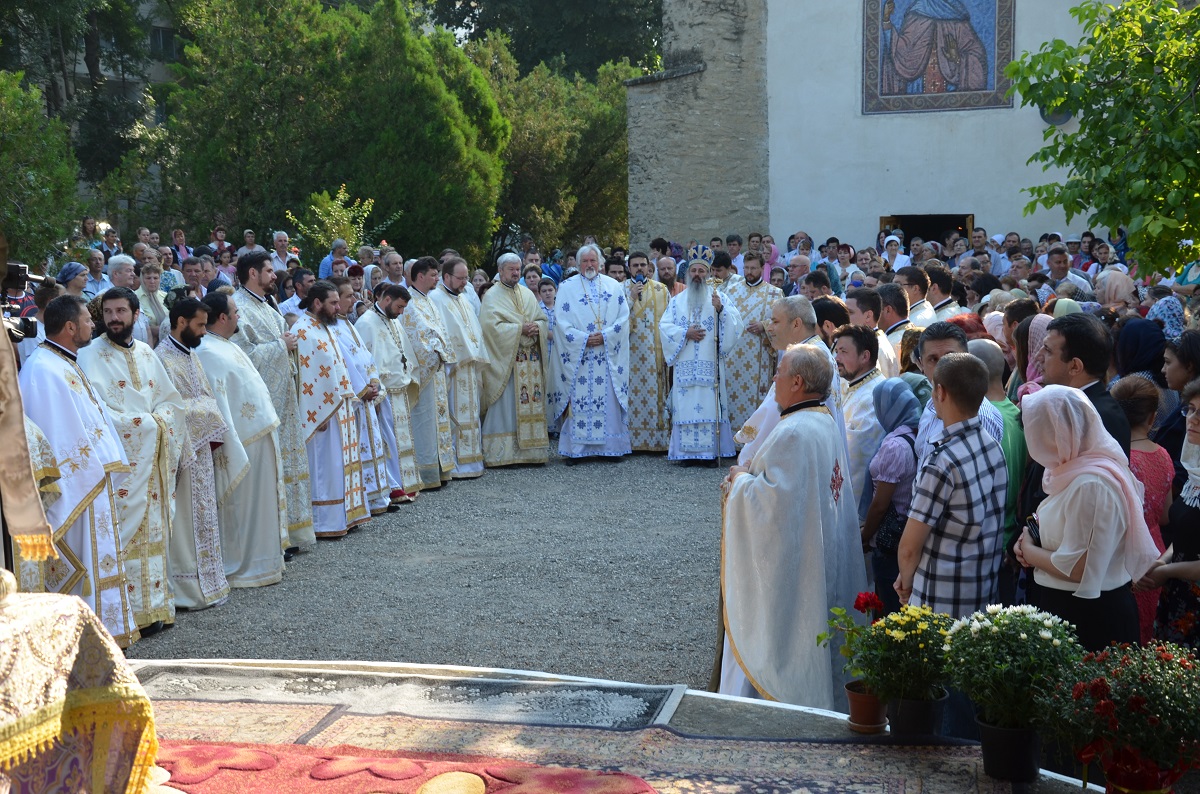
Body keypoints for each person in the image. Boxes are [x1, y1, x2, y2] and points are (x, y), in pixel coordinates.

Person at [719, 343, 866, 710]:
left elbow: (770, 506)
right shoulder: (822, 420)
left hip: (795, 563)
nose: (774, 378)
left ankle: (768, 700)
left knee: (784, 634)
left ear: (797, 382)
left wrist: (738, 480)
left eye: (779, 373)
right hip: (816, 547)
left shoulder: (794, 433)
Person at [17, 295, 140, 646]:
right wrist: (88, 472)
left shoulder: (63, 361)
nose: (94, 324)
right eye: (88, 319)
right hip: (76, 488)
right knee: (83, 561)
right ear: (70, 327)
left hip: (91, 483)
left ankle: (103, 632)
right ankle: (84, 639)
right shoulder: (43, 369)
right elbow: (52, 436)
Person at [1015, 386, 1160, 651]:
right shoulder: (1075, 470)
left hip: (1086, 617)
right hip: (1072, 608)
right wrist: (1031, 535)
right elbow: (1061, 522)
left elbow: (1079, 568)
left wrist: (1028, 550)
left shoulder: (1091, 483)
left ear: (1054, 432)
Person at [78, 287, 187, 635]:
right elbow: (95, 414)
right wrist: (147, 425)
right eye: (108, 312)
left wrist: (160, 422)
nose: (113, 318)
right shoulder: (89, 355)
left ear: (135, 315)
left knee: (153, 534)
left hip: (151, 465)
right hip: (123, 468)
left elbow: (171, 403)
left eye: (120, 311)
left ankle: (154, 609)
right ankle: (123, 616)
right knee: (123, 536)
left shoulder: (146, 353)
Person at [896, 352, 1008, 620]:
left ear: (940, 392)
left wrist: (906, 584)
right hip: (981, 596)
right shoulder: (992, 443)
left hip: (938, 606)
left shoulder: (941, 460)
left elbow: (909, 547)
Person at [196, 292, 289, 587]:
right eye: (235, 311)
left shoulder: (225, 345)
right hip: (241, 443)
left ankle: (265, 562)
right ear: (222, 317)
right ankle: (247, 568)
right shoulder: (208, 352)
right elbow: (218, 404)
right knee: (243, 510)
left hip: (257, 436)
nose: (239, 316)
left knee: (260, 506)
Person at [232, 252, 315, 551]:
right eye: (269, 270)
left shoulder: (267, 304)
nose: (274, 276)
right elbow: (243, 357)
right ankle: (273, 538)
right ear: (253, 273)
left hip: (284, 397)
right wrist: (282, 345)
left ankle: (289, 532)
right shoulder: (239, 308)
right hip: (263, 403)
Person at [154, 298, 232, 611]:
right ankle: (188, 588)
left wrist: (209, 415)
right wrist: (208, 416)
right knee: (185, 520)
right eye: (199, 325)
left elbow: (205, 397)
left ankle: (210, 582)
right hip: (182, 456)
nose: (203, 331)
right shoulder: (161, 359)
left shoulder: (190, 353)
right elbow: (169, 410)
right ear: (182, 322)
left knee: (205, 516)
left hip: (201, 451)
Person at [294, 280, 369, 537]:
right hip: (323, 413)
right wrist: (315, 412)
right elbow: (305, 376)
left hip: (340, 406)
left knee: (341, 464)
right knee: (326, 467)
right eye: (333, 303)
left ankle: (346, 515)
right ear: (317, 303)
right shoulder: (303, 330)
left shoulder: (324, 326)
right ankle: (325, 521)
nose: (338, 308)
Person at [736, 296, 847, 464]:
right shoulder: (819, 351)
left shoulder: (802, 359)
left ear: (796, 324)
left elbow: (774, 413)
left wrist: (747, 458)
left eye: (775, 321)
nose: (770, 328)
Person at [548, 244, 633, 460]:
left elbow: (623, 319)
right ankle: (576, 451)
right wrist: (583, 339)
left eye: (593, 261)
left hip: (606, 354)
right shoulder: (566, 287)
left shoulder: (614, 287)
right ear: (577, 264)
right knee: (578, 400)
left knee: (608, 400)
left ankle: (611, 449)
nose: (589, 265)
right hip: (579, 356)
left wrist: (605, 336)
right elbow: (561, 322)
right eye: (584, 261)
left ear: (600, 263)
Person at [660, 257, 744, 462]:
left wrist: (721, 310)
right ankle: (686, 454)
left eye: (701, 271)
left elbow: (736, 326)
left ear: (709, 274)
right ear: (688, 274)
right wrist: (684, 333)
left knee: (710, 406)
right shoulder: (677, 301)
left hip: (710, 368)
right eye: (693, 270)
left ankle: (710, 454)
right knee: (686, 407)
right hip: (685, 368)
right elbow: (664, 327)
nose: (697, 274)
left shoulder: (719, 297)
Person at [1136, 379, 1200, 649]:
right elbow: (1188, 534)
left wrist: (1167, 571)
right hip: (1178, 594)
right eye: (1192, 409)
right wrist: (1162, 561)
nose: (1193, 420)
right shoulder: (1195, 473)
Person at [1112, 376, 1173, 642]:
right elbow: (1165, 515)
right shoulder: (1163, 454)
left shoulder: (1118, 460)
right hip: (1156, 555)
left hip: (1123, 555)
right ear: (1151, 417)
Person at [478, 253, 551, 467]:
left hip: (530, 362)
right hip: (509, 362)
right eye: (512, 269)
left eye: (518, 269)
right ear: (500, 271)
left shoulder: (528, 294)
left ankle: (533, 454)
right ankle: (502, 454)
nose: (516, 273)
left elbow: (542, 319)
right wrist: (520, 329)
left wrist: (536, 327)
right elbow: (490, 328)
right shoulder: (492, 295)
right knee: (506, 405)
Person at [329, 277, 392, 514]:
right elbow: (344, 363)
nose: (353, 300)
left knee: (371, 445)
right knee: (360, 448)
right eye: (348, 296)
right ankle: (365, 498)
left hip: (367, 395)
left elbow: (365, 357)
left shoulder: (348, 323)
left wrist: (374, 382)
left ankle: (377, 497)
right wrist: (363, 389)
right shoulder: (332, 327)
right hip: (355, 399)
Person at [356, 284, 423, 499]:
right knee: (387, 440)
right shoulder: (366, 323)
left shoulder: (391, 319)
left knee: (399, 439)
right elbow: (365, 362)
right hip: (383, 393)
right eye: (400, 307)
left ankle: (406, 480)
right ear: (387, 300)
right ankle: (393, 485)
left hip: (399, 390)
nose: (402, 312)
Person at [861, 378, 921, 615]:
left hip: (889, 542)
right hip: (904, 535)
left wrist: (865, 536)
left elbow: (880, 504)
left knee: (888, 610)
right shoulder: (915, 431)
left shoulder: (894, 446)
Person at [912, 322, 1005, 463]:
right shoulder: (931, 404)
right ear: (921, 365)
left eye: (950, 357)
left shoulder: (980, 418)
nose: (941, 366)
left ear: (967, 358)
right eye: (933, 359)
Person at [401, 257, 456, 489]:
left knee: (438, 421)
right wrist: (438, 354)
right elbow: (417, 338)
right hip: (425, 373)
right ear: (420, 276)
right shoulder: (410, 303)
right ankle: (426, 473)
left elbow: (441, 332)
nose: (436, 279)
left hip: (437, 372)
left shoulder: (429, 301)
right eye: (433, 275)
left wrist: (445, 351)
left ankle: (441, 470)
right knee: (425, 421)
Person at [429, 257, 487, 479]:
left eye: (466, 278)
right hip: (453, 369)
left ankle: (473, 461)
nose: (465, 283)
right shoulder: (436, 298)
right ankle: (455, 464)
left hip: (469, 367)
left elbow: (474, 329)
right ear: (446, 277)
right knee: (456, 414)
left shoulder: (463, 298)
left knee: (470, 413)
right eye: (461, 278)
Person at [721, 251, 783, 432]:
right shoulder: (730, 291)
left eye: (753, 268)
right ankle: (729, 440)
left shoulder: (774, 293)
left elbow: (782, 321)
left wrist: (764, 326)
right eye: (746, 268)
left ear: (762, 268)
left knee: (755, 399)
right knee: (730, 395)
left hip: (758, 357)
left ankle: (752, 440)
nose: (749, 271)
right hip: (732, 356)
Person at [832, 324, 886, 519]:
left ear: (865, 356)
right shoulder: (855, 385)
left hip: (853, 510)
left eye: (843, 352)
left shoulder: (871, 397)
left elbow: (856, 462)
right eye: (836, 351)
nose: (836, 358)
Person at [625, 251, 672, 452]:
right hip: (629, 355)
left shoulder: (662, 290)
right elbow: (615, 321)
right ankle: (631, 441)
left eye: (642, 265)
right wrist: (631, 298)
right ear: (629, 268)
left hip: (655, 355)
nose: (639, 269)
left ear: (648, 267)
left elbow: (670, 323)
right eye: (635, 265)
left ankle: (657, 441)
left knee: (655, 395)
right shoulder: (620, 290)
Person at [846, 287, 900, 378]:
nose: (845, 317)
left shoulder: (875, 347)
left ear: (868, 316)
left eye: (850, 312)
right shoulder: (875, 341)